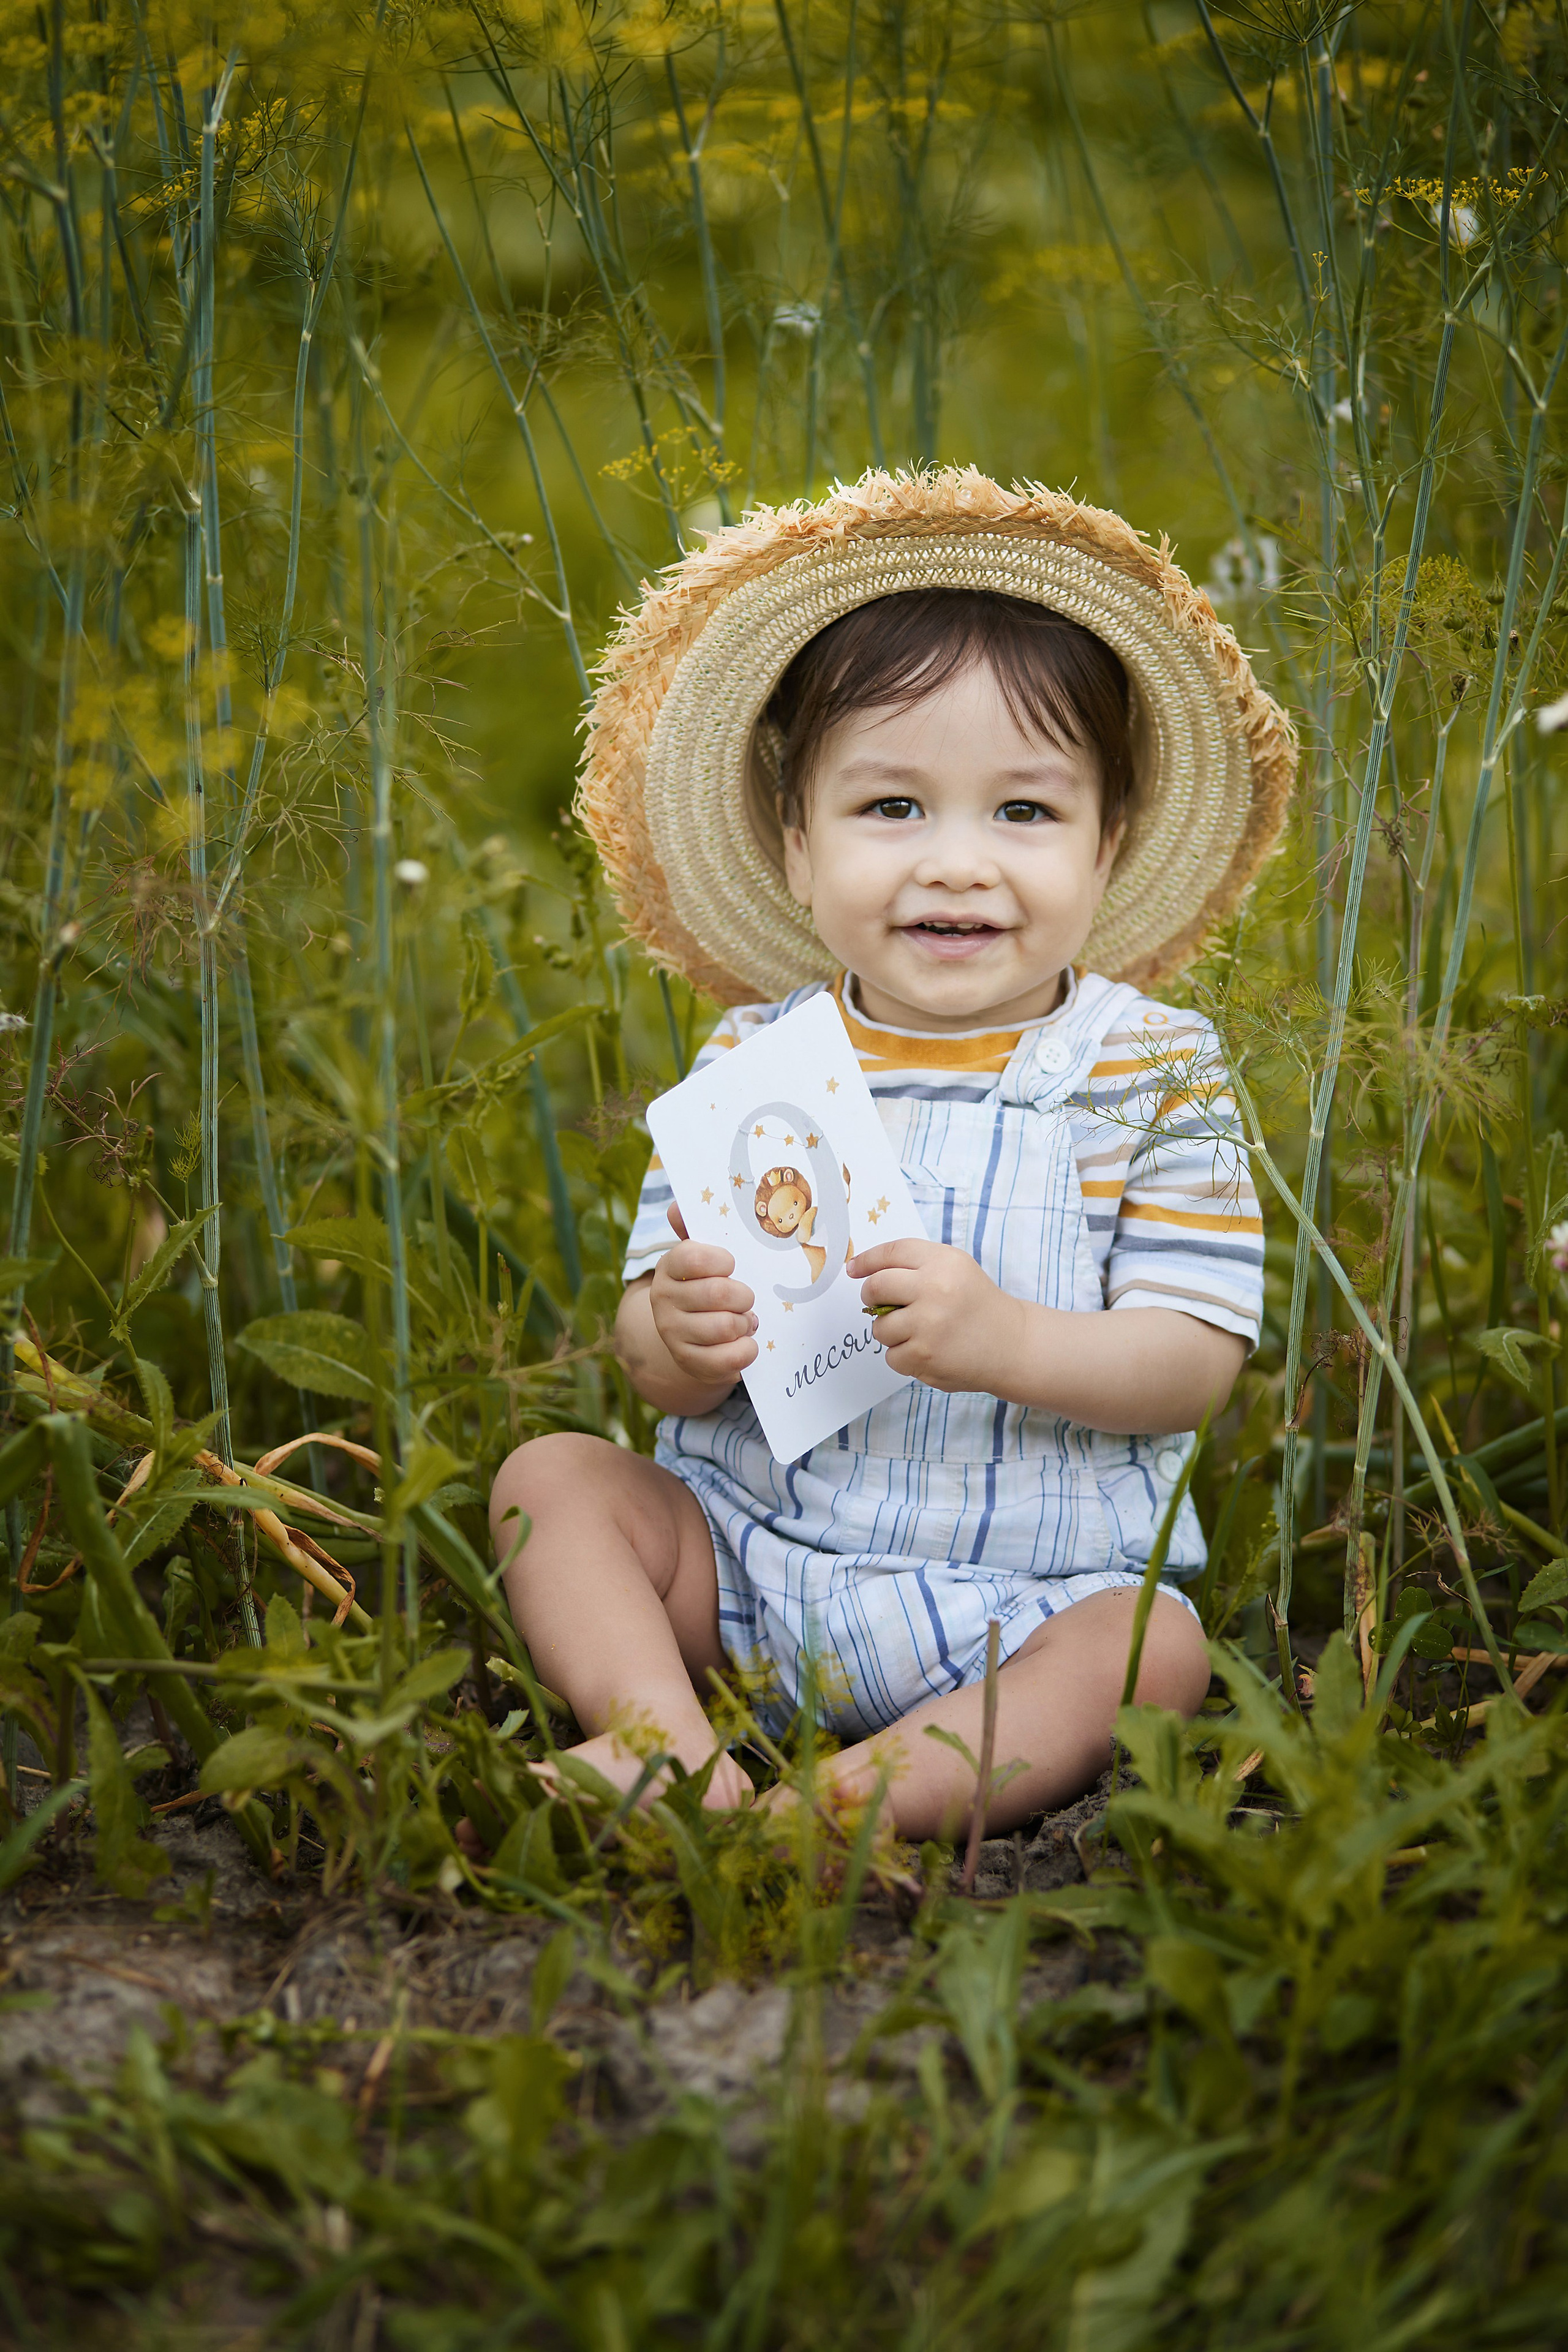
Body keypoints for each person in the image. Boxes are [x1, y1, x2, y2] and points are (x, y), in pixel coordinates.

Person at [489, 468, 1295, 1841]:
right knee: (551, 1482)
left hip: (1023, 1604)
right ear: (797, 850)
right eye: (892, 809)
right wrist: (680, 1333)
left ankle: (828, 1818)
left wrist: (1000, 1340)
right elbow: (643, 1352)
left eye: (1022, 814)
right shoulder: (751, 1063)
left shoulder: (1148, 1070)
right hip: (743, 1569)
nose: (956, 866)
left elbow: (1190, 1363)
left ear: (1107, 850)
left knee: (1149, 1649)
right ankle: (664, 1749)